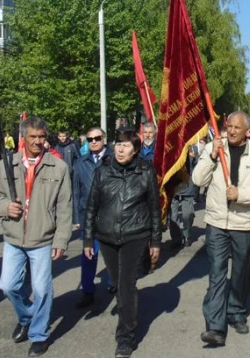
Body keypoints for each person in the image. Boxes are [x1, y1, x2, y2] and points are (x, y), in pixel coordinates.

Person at [0, 116, 72, 357]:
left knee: (41, 288)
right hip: (14, 237)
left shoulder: (58, 167)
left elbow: (64, 207)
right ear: (23, 138)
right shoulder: (9, 164)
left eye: (41, 137)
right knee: (7, 285)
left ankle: (39, 334)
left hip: (42, 239)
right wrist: (5, 207)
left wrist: (61, 240)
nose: (37, 141)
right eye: (32, 137)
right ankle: (27, 316)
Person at [192, 112, 250, 347]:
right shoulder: (214, 148)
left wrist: (241, 195)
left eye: (237, 127)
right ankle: (215, 326)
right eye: (229, 126)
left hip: (244, 223)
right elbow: (198, 180)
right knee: (217, 273)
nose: (232, 130)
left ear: (247, 130)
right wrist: (210, 155)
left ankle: (236, 311)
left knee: (239, 272)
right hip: (217, 222)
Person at [84, 128, 161, 358]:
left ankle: (125, 338)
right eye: (118, 143)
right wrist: (88, 238)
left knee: (126, 284)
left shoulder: (145, 171)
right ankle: (129, 310)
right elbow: (91, 207)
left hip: (135, 236)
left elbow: (154, 209)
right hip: (107, 237)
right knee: (119, 284)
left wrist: (155, 241)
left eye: (126, 145)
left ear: (136, 149)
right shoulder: (103, 172)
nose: (120, 148)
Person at [72, 126, 112, 308]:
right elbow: (75, 192)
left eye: (97, 138)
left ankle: (114, 283)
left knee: (112, 253)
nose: (94, 142)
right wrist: (76, 219)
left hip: (110, 215)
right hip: (87, 217)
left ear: (104, 138)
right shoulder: (80, 163)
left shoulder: (113, 160)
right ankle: (87, 290)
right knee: (88, 255)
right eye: (90, 139)